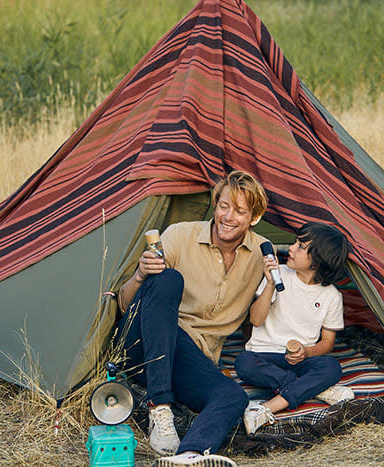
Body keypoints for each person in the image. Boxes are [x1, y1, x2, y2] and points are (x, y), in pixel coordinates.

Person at [114, 171, 269, 467]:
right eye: (224, 206)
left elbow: (265, 314)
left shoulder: (262, 253)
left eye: (239, 211)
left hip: (190, 358)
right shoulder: (178, 235)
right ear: (215, 204)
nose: (228, 216)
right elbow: (124, 305)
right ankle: (160, 407)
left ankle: (190, 454)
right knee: (167, 279)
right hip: (142, 345)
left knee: (233, 397)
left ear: (254, 217)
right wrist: (140, 275)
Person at [234, 222, 353, 435]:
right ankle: (316, 390)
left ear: (317, 261)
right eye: (296, 242)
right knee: (244, 362)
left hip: (300, 359)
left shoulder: (332, 296)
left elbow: (327, 343)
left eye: (301, 246)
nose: (291, 247)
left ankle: (266, 409)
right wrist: (270, 284)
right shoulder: (278, 273)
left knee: (331, 366)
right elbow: (256, 320)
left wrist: (307, 352)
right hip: (265, 354)